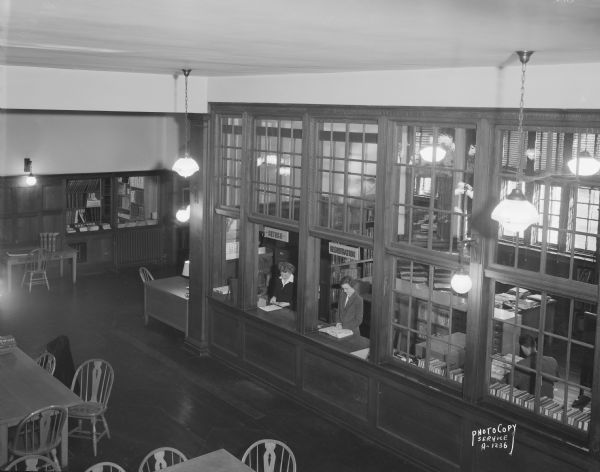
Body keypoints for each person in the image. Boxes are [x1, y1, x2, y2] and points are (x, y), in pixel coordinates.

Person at [510, 334, 559, 398]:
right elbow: (556, 379)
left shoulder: (521, 365)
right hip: (548, 400)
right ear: (535, 345)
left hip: (528, 401)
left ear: (523, 347)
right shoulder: (552, 361)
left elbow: (510, 383)